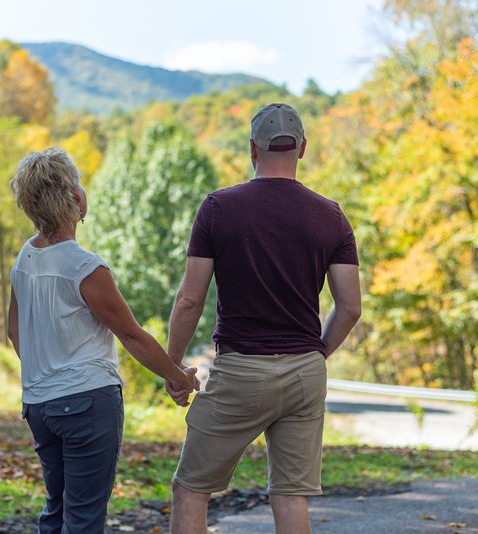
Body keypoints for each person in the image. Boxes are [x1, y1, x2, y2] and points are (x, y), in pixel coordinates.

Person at [165, 103, 362, 534]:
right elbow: (349, 306)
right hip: (305, 375)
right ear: (302, 149)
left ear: (253, 149)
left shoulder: (218, 208)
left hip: (240, 370)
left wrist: (173, 367)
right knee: (290, 494)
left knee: (191, 489)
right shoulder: (332, 216)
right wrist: (316, 353)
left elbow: (188, 301)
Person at [6, 147, 199, 534]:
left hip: (39, 405)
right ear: (75, 197)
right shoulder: (84, 267)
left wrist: (44, 376)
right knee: (84, 518)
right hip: (87, 404)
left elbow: (14, 329)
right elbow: (132, 335)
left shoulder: (24, 259)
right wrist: (178, 375)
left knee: (56, 511)